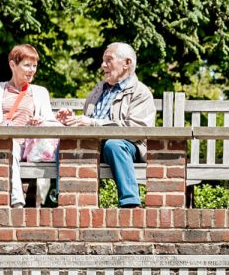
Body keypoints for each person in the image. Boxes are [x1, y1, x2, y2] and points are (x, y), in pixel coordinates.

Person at [57, 43, 156, 207]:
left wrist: (92, 123)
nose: (103, 65)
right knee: (65, 143)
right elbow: (88, 119)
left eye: (109, 60)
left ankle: (130, 203)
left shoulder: (140, 92)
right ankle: (65, 199)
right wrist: (72, 119)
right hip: (94, 143)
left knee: (114, 145)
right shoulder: (99, 89)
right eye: (103, 61)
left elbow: (137, 129)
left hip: (127, 145)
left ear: (127, 63)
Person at [0, 44, 59, 208]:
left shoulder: (40, 92)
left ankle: (28, 203)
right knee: (11, 146)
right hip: (5, 143)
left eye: (34, 66)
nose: (32, 70)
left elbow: (50, 122)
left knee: (14, 147)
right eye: (27, 65)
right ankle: (17, 202)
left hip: (31, 146)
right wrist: (0, 126)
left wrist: (39, 122)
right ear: (12, 65)